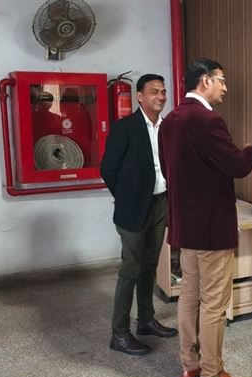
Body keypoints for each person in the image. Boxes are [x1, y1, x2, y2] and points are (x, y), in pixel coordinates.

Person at [159, 57, 252, 377]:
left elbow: (168, 170)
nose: (225, 87)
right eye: (222, 80)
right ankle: (213, 375)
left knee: (189, 296)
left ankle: (190, 365)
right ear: (205, 80)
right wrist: (251, 151)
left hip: (185, 228)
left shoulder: (170, 120)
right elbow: (236, 165)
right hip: (212, 230)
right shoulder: (208, 120)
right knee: (214, 304)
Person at [100, 73, 177, 356]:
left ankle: (146, 320)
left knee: (149, 266)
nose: (161, 96)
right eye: (154, 91)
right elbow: (108, 169)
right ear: (140, 96)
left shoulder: (167, 127)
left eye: (163, 92)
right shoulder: (125, 128)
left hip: (160, 204)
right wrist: (126, 198)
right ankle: (119, 334)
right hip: (132, 209)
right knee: (131, 269)